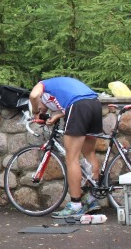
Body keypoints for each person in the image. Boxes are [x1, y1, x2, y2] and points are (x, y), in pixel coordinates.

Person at [29, 76, 102, 218]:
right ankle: (92, 200)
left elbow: (33, 95)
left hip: (78, 107)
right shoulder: (60, 84)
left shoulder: (42, 85)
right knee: (89, 154)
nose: (45, 111)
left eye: (44, 110)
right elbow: (74, 100)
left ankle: (75, 205)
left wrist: (35, 111)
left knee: (71, 158)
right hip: (94, 104)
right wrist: (57, 115)